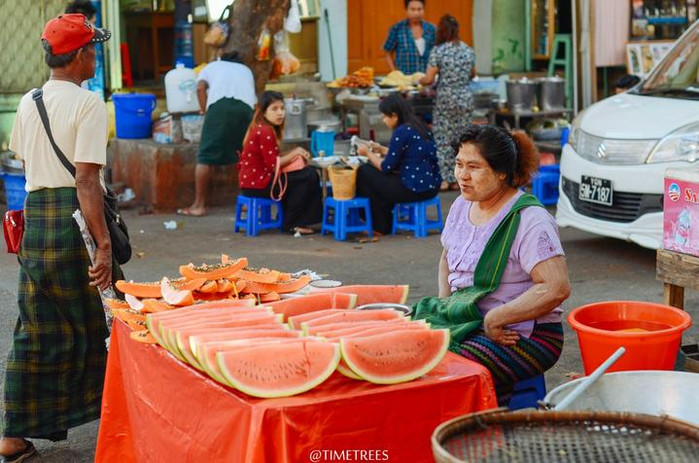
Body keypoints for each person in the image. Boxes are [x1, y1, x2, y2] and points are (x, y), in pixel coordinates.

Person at [1, 14, 117, 460]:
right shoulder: (88, 104)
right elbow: (86, 181)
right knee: (107, 320)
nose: (95, 56)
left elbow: (28, 167)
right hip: (76, 223)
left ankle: (12, 435)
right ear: (80, 56)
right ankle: (117, 414)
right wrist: (102, 245)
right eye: (92, 49)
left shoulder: (29, 103)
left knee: (35, 326)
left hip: (38, 219)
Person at [414, 125, 570, 406]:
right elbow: (447, 258)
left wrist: (496, 318)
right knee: (407, 346)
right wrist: (445, 309)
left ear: (502, 172)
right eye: (459, 164)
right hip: (469, 321)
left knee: (447, 368)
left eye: (474, 167)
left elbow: (556, 288)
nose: (462, 175)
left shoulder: (530, 219)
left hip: (525, 334)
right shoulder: (463, 205)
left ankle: (485, 423)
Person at [178, 51, 256, 217]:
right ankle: (247, 202)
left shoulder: (212, 66)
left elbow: (200, 87)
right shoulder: (246, 70)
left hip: (220, 106)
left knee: (205, 156)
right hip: (246, 110)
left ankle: (199, 205)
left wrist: (204, 110)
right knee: (243, 155)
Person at [355, 93, 441, 235]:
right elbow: (409, 155)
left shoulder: (401, 131)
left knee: (364, 171)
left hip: (414, 189)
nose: (384, 120)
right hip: (432, 187)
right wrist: (381, 149)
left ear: (394, 116)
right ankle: (382, 223)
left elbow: (386, 167)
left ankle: (380, 225)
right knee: (378, 180)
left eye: (385, 116)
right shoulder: (419, 126)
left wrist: (368, 154)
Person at [238, 91, 322, 235]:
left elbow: (270, 158)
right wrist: (295, 152)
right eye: (274, 109)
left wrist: (294, 154)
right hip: (259, 184)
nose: (280, 113)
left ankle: (292, 219)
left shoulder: (261, 128)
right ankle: (292, 223)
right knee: (308, 175)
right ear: (264, 112)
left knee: (305, 175)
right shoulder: (265, 131)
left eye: (282, 108)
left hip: (252, 183)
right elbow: (273, 165)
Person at [420, 14, 476, 191]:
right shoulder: (468, 50)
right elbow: (473, 74)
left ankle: (445, 179)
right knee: (463, 139)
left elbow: (429, 79)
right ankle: (461, 179)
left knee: (444, 139)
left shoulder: (439, 51)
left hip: (445, 99)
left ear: (442, 32)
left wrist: (418, 79)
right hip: (465, 98)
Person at [383, 0, 436, 75]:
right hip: (405, 79)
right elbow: (387, 52)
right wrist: (394, 72)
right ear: (406, 10)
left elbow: (438, 52)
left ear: (423, 10)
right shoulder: (397, 28)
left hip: (427, 78)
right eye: (413, 9)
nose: (416, 13)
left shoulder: (431, 29)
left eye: (419, 9)